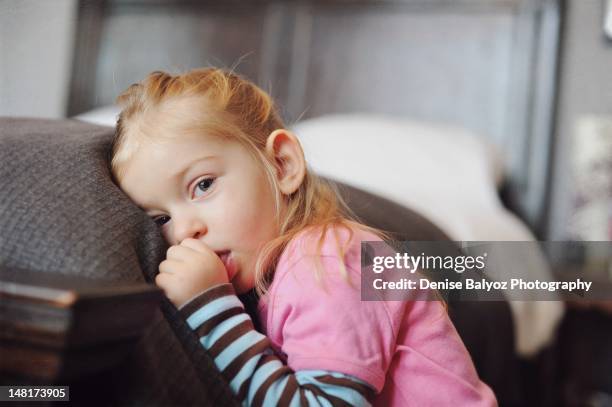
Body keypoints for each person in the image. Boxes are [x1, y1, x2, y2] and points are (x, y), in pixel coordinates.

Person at [110, 67, 497, 406]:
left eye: (204, 184)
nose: (183, 230)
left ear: (282, 165)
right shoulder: (282, 272)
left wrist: (210, 308)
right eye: (161, 217)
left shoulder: (330, 262)